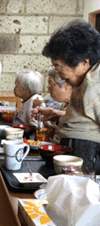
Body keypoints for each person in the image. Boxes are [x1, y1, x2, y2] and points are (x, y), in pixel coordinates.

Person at [39, 19, 100, 173]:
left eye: (59, 67)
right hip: (73, 150)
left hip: (86, 155)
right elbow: (83, 116)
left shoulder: (95, 84)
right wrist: (56, 115)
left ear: (83, 63)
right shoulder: (82, 78)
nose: (58, 75)